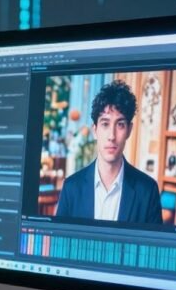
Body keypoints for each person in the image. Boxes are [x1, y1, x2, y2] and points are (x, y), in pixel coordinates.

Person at [55, 80, 163, 224]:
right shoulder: (71, 188)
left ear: (129, 130)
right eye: (105, 124)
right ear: (95, 130)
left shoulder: (148, 191)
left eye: (120, 125)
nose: (112, 136)